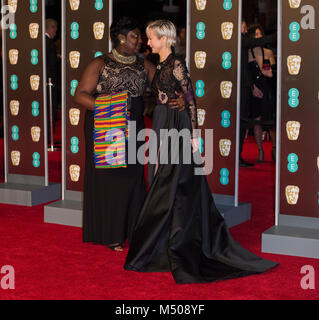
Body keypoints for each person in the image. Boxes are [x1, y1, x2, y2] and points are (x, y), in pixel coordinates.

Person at [124, 20, 278, 284]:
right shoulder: (160, 65)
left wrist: (194, 134)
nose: (147, 43)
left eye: (151, 38)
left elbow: (191, 99)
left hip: (177, 123)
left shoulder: (176, 64)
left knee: (174, 182)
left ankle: (175, 241)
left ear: (164, 38)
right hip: (162, 120)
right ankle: (163, 240)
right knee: (163, 178)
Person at [74, 17, 185, 252]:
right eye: (135, 36)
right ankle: (110, 233)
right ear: (121, 38)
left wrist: (182, 97)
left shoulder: (143, 65)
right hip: (104, 123)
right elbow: (80, 94)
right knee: (109, 177)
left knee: (133, 176)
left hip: (133, 122)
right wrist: (110, 106)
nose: (140, 41)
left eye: (140, 36)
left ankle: (135, 230)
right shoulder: (100, 63)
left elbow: (165, 86)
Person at [239, 20, 276, 167]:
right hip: (243, 87)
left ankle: (238, 155)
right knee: (244, 121)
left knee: (244, 122)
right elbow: (260, 40)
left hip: (249, 87)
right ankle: (236, 155)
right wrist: (276, 36)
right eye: (243, 24)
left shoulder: (245, 41)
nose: (245, 27)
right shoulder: (240, 40)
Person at [45, 18, 59, 145]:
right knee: (50, 110)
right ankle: (48, 138)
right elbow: (52, 64)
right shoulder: (48, 43)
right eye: (55, 29)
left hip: (44, 83)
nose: (56, 32)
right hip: (49, 83)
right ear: (51, 28)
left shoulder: (41, 42)